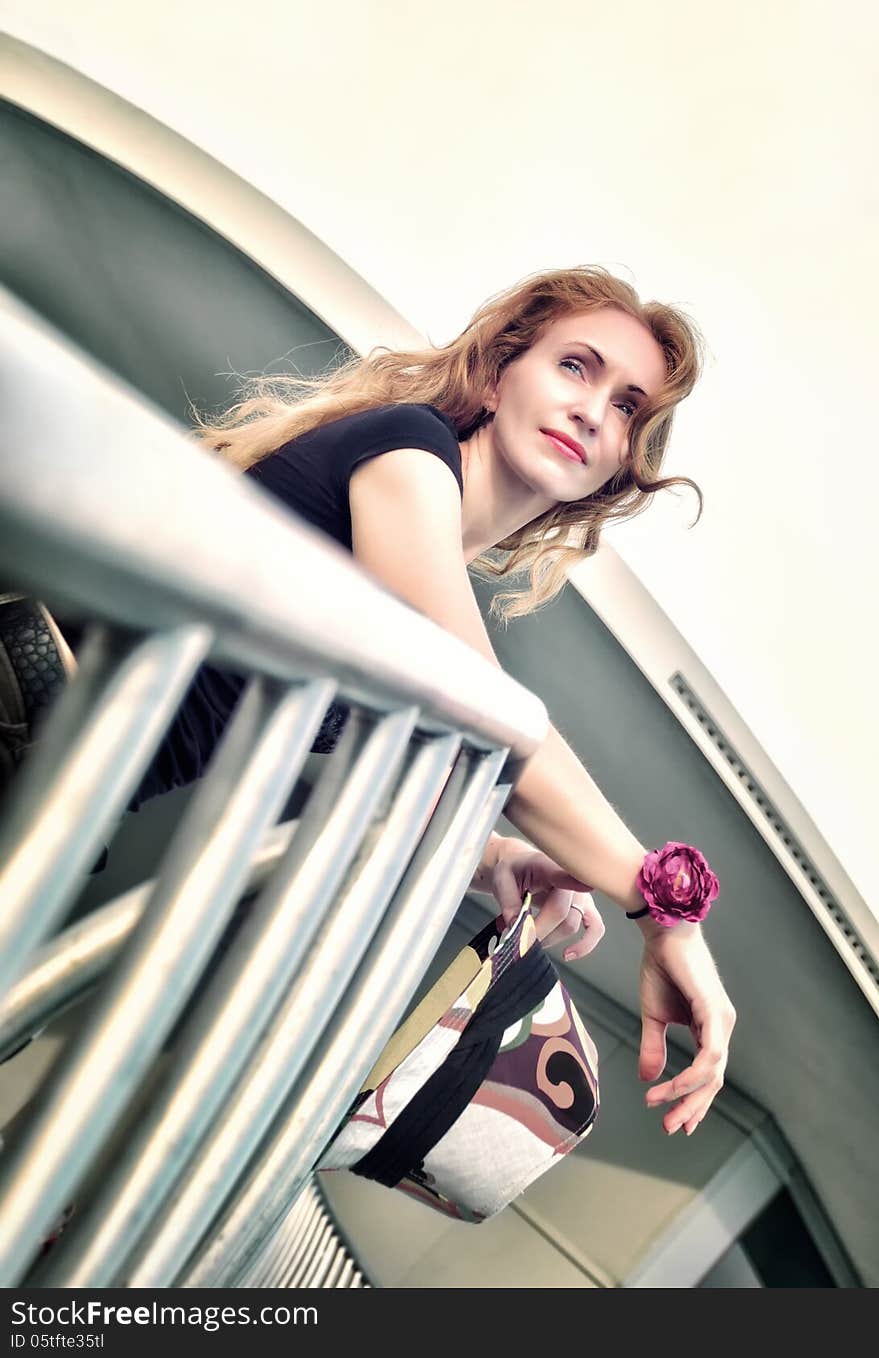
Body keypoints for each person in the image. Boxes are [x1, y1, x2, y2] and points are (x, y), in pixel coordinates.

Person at [138, 263, 735, 1139]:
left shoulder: (406, 563)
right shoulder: (407, 453)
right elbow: (481, 706)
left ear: (617, 467)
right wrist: (663, 909)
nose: (593, 410)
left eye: (627, 409)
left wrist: (487, 854)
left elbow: (377, 762)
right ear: (499, 375)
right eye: (576, 367)